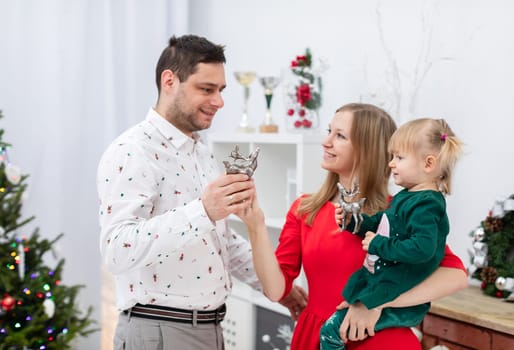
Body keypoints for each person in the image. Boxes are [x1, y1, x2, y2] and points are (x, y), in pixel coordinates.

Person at [237, 104, 468, 350]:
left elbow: (456, 276)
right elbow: (275, 290)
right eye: (329, 131)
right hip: (318, 337)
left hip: (384, 342)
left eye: (340, 136)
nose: (326, 142)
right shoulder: (305, 209)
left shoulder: (396, 213)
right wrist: (256, 225)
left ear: (367, 150)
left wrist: (375, 304)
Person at [97, 34, 260, 350]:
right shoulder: (131, 152)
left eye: (221, 90)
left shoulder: (201, 153)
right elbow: (118, 250)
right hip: (159, 332)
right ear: (169, 81)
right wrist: (203, 211)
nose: (219, 101)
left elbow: (218, 241)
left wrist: (276, 285)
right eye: (207, 89)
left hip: (209, 330)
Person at [320, 118, 463, 349]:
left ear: (428, 163)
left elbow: (421, 248)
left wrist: (379, 245)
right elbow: (382, 223)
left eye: (399, 157)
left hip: (398, 294)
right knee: (337, 329)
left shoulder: (427, 205)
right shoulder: (406, 197)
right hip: (383, 286)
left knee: (331, 332)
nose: (391, 164)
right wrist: (355, 222)